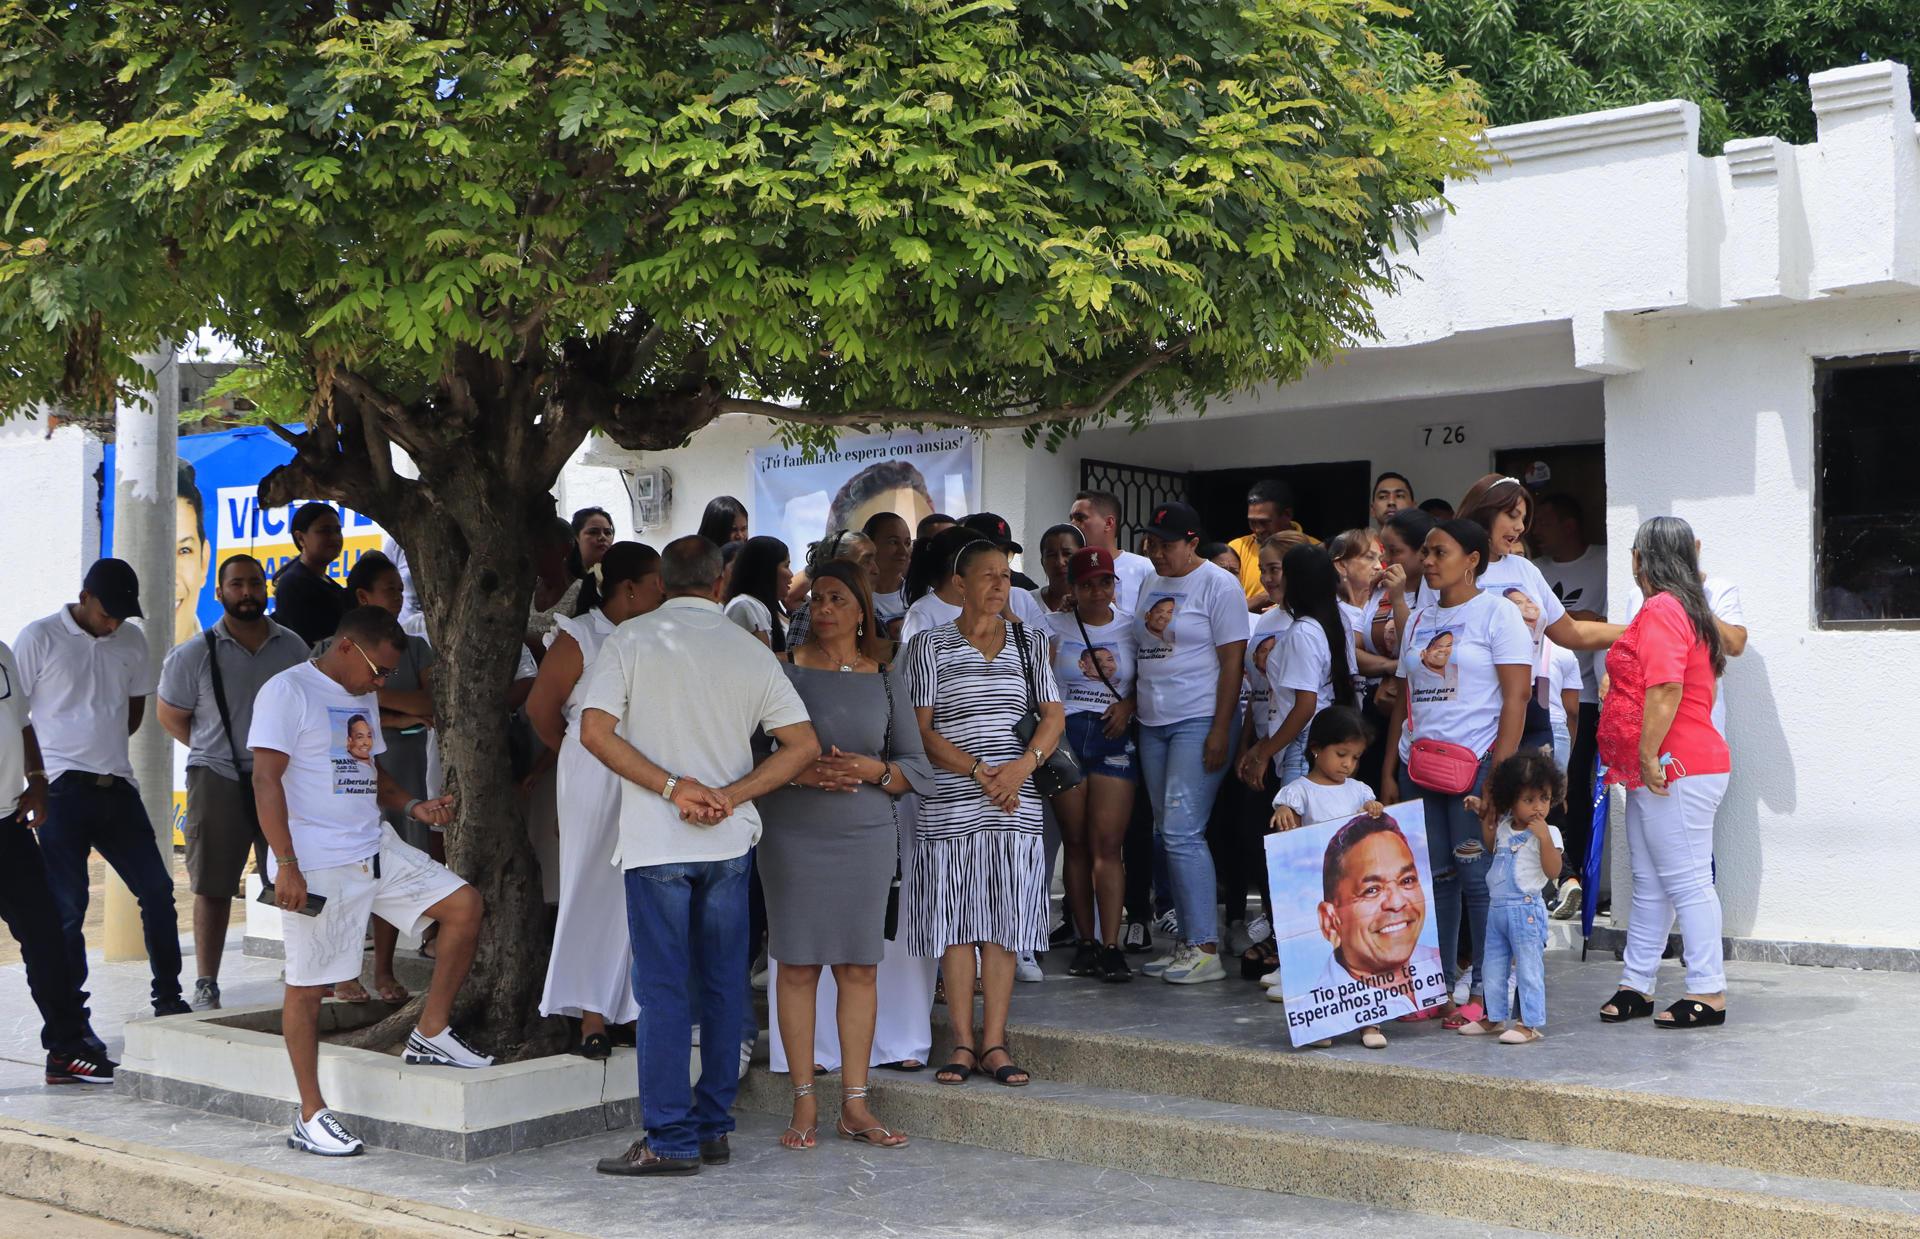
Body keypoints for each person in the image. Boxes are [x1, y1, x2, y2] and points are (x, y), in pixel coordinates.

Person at [578, 536, 819, 1177]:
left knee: (663, 995)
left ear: (660, 581)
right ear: (720, 584)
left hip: (659, 842)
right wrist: (731, 795)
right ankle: (711, 1127)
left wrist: (672, 788)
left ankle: (669, 1139)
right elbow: (801, 746)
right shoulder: (750, 648)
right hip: (729, 840)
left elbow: (592, 733)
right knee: (722, 987)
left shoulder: (628, 641)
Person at [250, 605, 491, 1158]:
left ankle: (429, 1035)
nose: (381, 684)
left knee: (463, 907)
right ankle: (310, 1115)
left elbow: (369, 772)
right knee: (307, 985)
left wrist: (414, 805)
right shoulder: (287, 692)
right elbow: (266, 781)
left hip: (374, 847)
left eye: (386, 676)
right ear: (344, 648)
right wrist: (285, 863)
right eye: (377, 672)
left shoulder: (359, 695)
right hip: (315, 860)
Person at [760, 562, 931, 1149]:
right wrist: (800, 773)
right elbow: (749, 759)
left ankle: (855, 1106)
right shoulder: (780, 673)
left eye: (838, 599)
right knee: (800, 965)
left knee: (859, 967)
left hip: (864, 835)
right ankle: (805, 1103)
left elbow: (916, 768)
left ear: (862, 610)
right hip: (793, 834)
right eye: (818, 599)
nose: (824, 608)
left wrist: (871, 770)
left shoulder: (886, 677)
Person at [905, 540, 1064, 1088]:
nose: (999, 585)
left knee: (1003, 922)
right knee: (954, 923)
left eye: (1006, 576)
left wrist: (1022, 767)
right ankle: (962, 1044)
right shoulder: (928, 646)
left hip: (1014, 801)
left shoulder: (1029, 640)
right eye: (988, 576)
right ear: (960, 584)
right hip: (952, 799)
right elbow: (921, 732)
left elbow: (1053, 716)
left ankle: (995, 1042)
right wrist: (979, 771)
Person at [15, 558, 186, 1021]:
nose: (113, 623)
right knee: (68, 909)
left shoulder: (132, 640)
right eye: (107, 613)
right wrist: (35, 779)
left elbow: (132, 713)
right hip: (61, 789)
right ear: (84, 596)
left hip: (116, 786)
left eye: (122, 616)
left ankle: (169, 996)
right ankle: (74, 1019)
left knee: (157, 891)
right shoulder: (39, 637)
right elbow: (16, 716)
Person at [1378, 520, 1533, 1028]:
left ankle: (1488, 996)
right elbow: (1404, 696)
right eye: (1425, 552)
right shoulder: (1420, 618)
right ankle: (1435, 987)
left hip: (1477, 766)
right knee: (1433, 879)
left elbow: (1518, 697)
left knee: (1477, 880)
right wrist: (1388, 768)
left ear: (1472, 558)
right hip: (1418, 766)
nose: (1427, 560)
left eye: (1438, 552)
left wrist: (1498, 777)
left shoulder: (1498, 614)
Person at [156, 554, 310, 1010]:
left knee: (295, 877)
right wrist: (217, 748)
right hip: (217, 777)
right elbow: (171, 717)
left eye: (255, 584)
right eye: (238, 585)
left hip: (281, 780)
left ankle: (307, 971)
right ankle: (206, 981)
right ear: (219, 592)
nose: (248, 592)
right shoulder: (192, 654)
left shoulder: (293, 648)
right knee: (213, 885)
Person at [1596, 517, 1732, 1031]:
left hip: (1674, 766)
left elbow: (1665, 689)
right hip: (1673, 766)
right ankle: (1637, 985)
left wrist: (1649, 755)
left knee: (1688, 882)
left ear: (1641, 559)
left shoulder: (1661, 608)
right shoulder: (1690, 608)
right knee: (1651, 882)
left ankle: (1707, 991)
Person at [529, 543, 664, 1057]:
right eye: (656, 582)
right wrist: (574, 759)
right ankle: (590, 1015)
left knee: (638, 885)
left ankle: (628, 1006)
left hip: (646, 770)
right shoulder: (580, 634)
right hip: (593, 768)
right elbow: (543, 710)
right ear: (630, 588)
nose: (664, 591)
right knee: (589, 883)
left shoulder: (656, 634)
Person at [1132, 502, 1246, 985]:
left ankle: (1204, 947)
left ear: (1193, 541)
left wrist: (1221, 728)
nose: (1157, 552)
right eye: (1152, 543)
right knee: (1168, 831)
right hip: (1152, 720)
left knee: (1182, 831)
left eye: (1168, 544)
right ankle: (1186, 943)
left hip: (1199, 718)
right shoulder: (1150, 582)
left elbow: (1234, 662)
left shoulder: (1219, 585)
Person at [1, 636, 114, 1084]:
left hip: (7, 824)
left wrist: (37, 777)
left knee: (46, 936)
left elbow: (21, 722)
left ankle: (65, 1049)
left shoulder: (3, 653)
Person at [1457, 475, 1621, 756]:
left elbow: (1571, 632)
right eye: (1512, 516)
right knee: (1481, 798)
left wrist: (1640, 629)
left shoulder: (1525, 570)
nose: (1520, 527)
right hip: (1470, 711)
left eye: (1523, 519)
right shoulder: (1452, 567)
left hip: (1528, 705)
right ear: (1486, 511)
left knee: (1531, 799)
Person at [1267, 706, 1391, 1048]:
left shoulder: (1359, 791)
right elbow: (1286, 813)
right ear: (1316, 748)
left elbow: (1373, 815)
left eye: (1355, 757)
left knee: (1365, 954)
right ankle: (1323, 1023)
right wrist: (1283, 811)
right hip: (1319, 893)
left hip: (1359, 895)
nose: (1348, 764)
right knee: (1319, 956)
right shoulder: (1300, 791)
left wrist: (1374, 809)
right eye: (1341, 754)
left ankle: (1371, 1023)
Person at [1043, 547, 1138, 983]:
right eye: (1086, 584)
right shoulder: (1053, 626)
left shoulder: (1133, 627)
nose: (1097, 591)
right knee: (1076, 844)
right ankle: (1085, 940)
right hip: (1066, 739)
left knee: (1108, 846)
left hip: (1113, 735)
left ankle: (1112, 945)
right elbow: (1039, 686)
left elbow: (1150, 680)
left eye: (1105, 581)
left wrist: (1131, 705)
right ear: (1073, 587)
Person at [1279, 811, 1436, 1042]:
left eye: (1407, 880)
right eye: (1371, 890)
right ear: (1330, 921)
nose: (1397, 902)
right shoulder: (1314, 1017)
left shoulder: (1434, 966)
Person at [1530, 492, 1607, 907]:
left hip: (1591, 695)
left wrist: (1588, 623)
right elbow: (1582, 623)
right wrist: (1585, 619)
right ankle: (1561, 878)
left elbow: (1597, 625)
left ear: (1570, 525)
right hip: (1545, 697)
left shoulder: (1602, 560)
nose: (1534, 530)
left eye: (1542, 520)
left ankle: (1574, 879)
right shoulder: (1534, 570)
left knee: (1576, 792)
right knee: (1548, 793)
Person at [1460, 751, 1563, 1044]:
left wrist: (1543, 839)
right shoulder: (1505, 827)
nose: (1538, 807)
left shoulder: (1549, 832)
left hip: (1526, 909)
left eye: (1544, 798)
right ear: (1510, 800)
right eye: (1528, 800)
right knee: (1493, 964)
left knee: (1529, 968)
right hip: (1498, 911)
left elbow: (1553, 870)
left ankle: (1529, 1023)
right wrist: (1484, 814)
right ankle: (1493, 1017)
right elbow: (1491, 847)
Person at [1237, 545, 1358, 788]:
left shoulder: (1303, 632)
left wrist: (1264, 753)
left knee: (1295, 823)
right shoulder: (1331, 621)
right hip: (1318, 736)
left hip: (1303, 741)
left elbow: (1304, 707)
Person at [900, 525, 1051, 642]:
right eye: (987, 571)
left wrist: (1006, 613)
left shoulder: (984, 607)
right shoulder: (922, 614)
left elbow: (1033, 655)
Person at [1227, 480, 1318, 610]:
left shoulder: (1315, 548)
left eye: (1264, 522)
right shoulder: (1236, 548)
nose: (1258, 530)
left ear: (1287, 515)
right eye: (1252, 522)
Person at [270, 503, 348, 646]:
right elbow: (303, 645)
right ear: (300, 538)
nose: (335, 537)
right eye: (324, 531)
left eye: (337, 530)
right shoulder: (293, 584)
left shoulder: (329, 584)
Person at [1067, 490, 1156, 614]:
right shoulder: (1069, 568)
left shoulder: (1145, 569)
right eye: (1071, 518)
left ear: (1108, 523)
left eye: (1080, 518)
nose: (1072, 524)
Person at [724, 535, 793, 651]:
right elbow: (765, 663)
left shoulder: (766, 606)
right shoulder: (745, 606)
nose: (791, 574)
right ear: (767, 569)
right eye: (786, 566)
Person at [174, 460, 212, 645]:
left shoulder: (222, 658)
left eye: (184, 550)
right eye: (154, 556)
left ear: (204, 561)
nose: (169, 578)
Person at [863, 511, 915, 638]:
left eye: (907, 543)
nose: (903, 551)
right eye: (893, 542)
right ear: (869, 544)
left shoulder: (922, 594)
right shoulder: (853, 597)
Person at [1032, 524, 1085, 613]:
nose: (1060, 562)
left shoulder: (1096, 604)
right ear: (1042, 562)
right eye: (1051, 555)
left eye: (1067, 553)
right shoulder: (1026, 603)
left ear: (1083, 558)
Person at [567, 506, 618, 583]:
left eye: (607, 533)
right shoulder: (565, 579)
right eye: (593, 532)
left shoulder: (622, 576)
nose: (602, 537)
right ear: (576, 537)